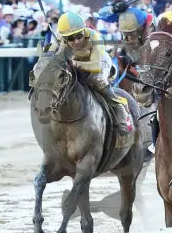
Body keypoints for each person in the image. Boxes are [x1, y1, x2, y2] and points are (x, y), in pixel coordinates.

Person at [54, 11, 130, 142]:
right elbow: (53, 56)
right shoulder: (59, 38)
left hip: (99, 62)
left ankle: (119, 108)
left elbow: (95, 66)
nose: (76, 41)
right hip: (76, 61)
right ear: (64, 37)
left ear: (84, 30)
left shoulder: (95, 36)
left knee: (98, 80)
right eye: (71, 39)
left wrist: (73, 63)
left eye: (79, 36)